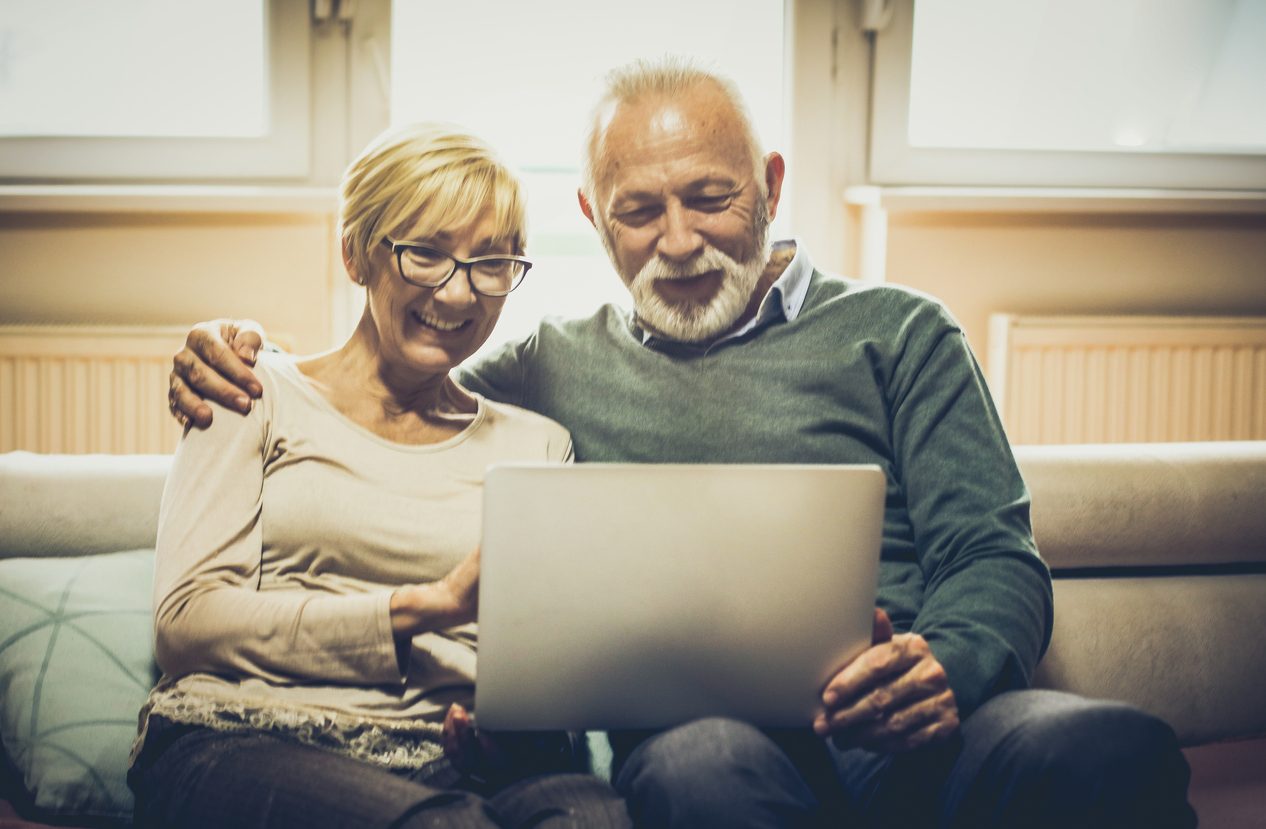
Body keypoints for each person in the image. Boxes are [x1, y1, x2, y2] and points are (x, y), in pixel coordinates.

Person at [168, 57, 1196, 828]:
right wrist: (238, 355)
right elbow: (396, 401)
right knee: (692, 770)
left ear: (772, 185)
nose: (678, 241)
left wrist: (950, 665)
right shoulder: (543, 376)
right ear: (593, 218)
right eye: (638, 211)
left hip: (919, 718)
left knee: (1111, 746)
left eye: (711, 197)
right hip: (713, 739)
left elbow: (994, 552)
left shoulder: (901, 331)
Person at [130, 122, 633, 829]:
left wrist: (515, 735)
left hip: (456, 761)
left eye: (492, 263)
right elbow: (187, 621)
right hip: (246, 738)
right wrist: (429, 605)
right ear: (357, 253)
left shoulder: (537, 445)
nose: (459, 295)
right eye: (426, 254)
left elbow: (538, 661)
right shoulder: (251, 391)